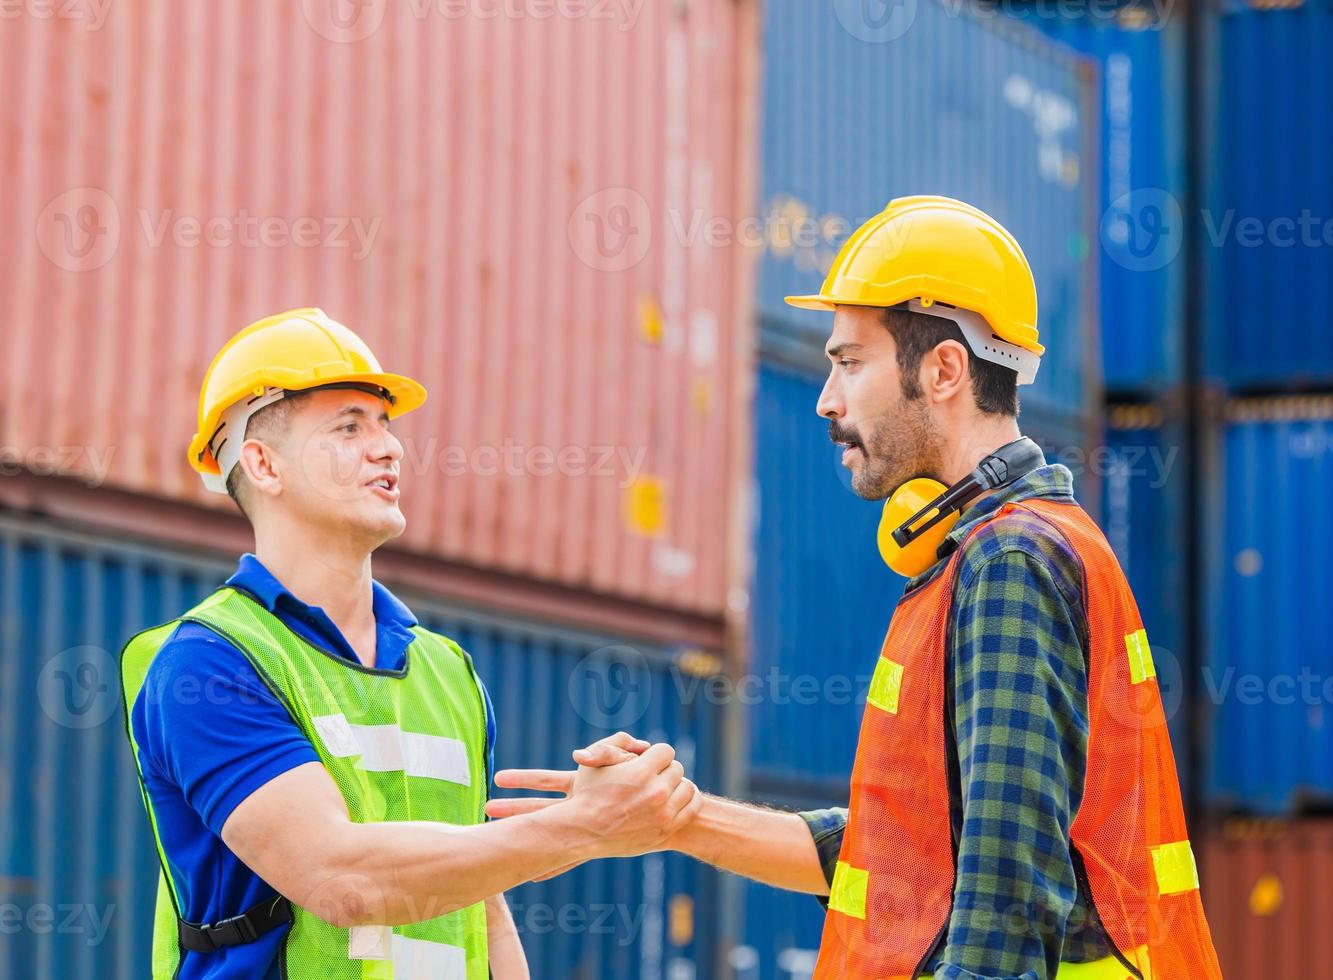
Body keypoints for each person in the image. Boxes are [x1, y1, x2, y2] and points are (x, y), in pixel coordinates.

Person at [491, 198, 1225, 979]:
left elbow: (1006, 912)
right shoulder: (992, 553)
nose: (826, 400)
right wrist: (676, 817)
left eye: (848, 363)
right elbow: (902, 858)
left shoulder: (1010, 562)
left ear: (944, 369)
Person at [119, 308, 700, 979]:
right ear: (263, 463)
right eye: (349, 427)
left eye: (386, 426)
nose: (389, 448)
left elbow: (483, 908)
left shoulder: (446, 671)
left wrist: (584, 827)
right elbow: (339, 878)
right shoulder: (212, 663)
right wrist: (584, 827)